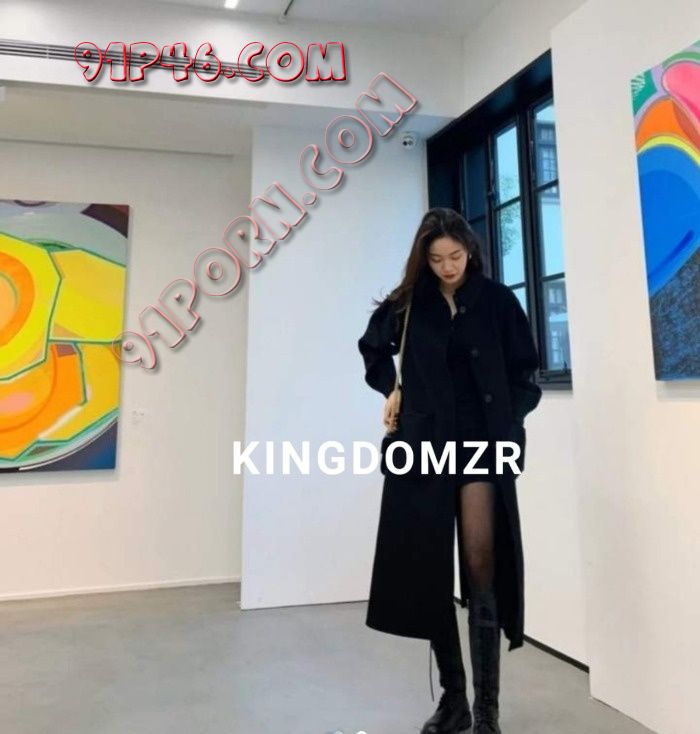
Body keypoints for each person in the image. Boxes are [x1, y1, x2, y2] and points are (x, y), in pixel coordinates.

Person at [357, 207, 542, 734]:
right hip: (423, 446)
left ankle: (487, 711)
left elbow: (525, 373)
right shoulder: (408, 304)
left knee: (481, 564)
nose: (447, 266)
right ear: (424, 259)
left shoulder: (498, 301)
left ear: (470, 250)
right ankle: (454, 700)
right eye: (436, 258)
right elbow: (372, 348)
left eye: (455, 256)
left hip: (482, 444)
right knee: (430, 568)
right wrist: (391, 388)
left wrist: (508, 421)